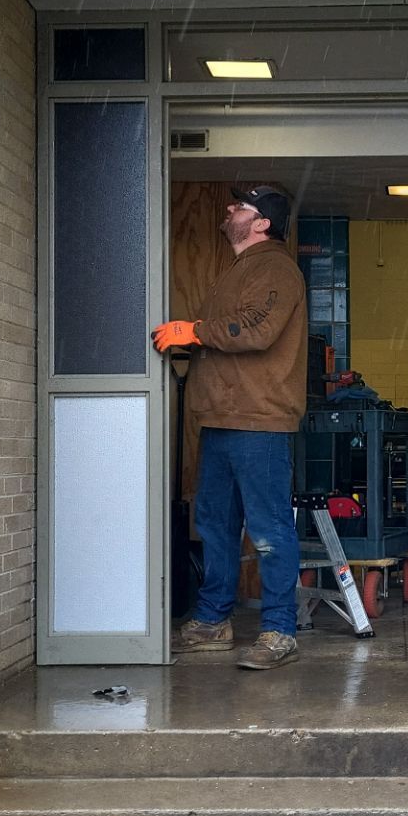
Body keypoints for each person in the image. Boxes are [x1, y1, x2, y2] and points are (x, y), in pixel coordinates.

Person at [151, 184, 307, 670]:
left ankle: (280, 630)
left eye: (240, 206)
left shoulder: (276, 267)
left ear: (261, 223)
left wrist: (193, 331)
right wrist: (196, 340)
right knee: (215, 525)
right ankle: (213, 620)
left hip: (259, 420)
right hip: (222, 418)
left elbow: (257, 330)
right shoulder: (240, 269)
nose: (229, 209)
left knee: (269, 528)